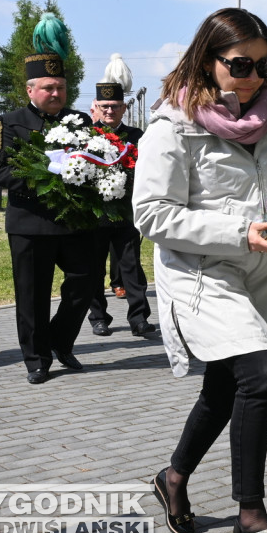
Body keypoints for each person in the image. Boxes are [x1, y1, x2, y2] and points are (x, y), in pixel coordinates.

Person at [133, 7, 267, 533]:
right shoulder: (171, 125)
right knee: (260, 376)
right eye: (241, 65)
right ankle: (251, 514)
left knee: (225, 389)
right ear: (208, 61)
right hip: (202, 273)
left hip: (261, 272)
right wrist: (238, 232)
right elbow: (151, 212)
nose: (254, 79)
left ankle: (173, 477)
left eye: (265, 66)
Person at [0, 13, 95, 385]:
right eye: (47, 87)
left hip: (73, 223)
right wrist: (46, 176)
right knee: (31, 296)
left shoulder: (80, 122)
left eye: (60, 87)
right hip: (30, 223)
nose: (55, 94)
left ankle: (60, 342)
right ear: (30, 90)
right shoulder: (10, 122)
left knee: (86, 280)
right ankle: (36, 358)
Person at [87, 54, 155, 338]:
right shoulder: (86, 136)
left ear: (124, 107)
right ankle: (98, 317)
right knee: (93, 269)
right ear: (96, 107)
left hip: (126, 213)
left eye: (114, 106)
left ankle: (138, 318)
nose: (109, 112)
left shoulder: (137, 136)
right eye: (104, 107)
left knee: (131, 268)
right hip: (94, 214)